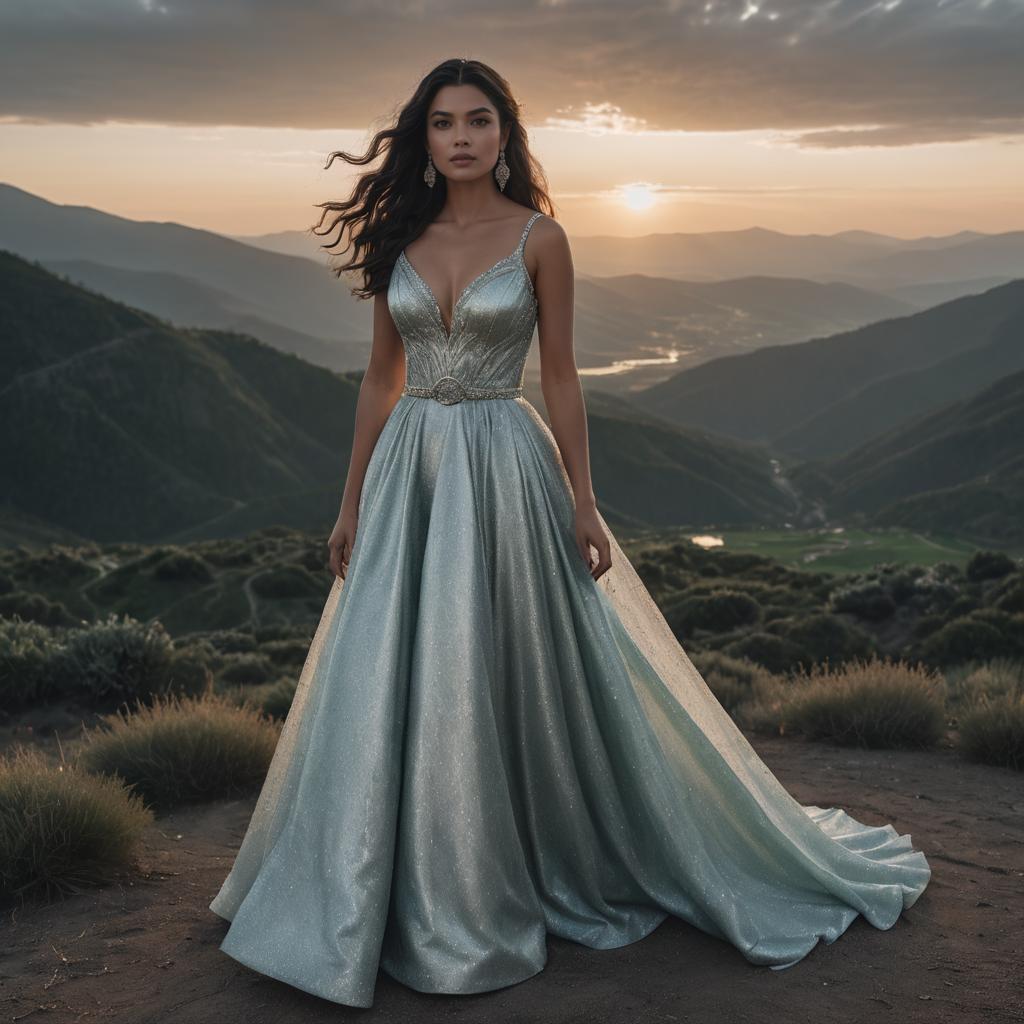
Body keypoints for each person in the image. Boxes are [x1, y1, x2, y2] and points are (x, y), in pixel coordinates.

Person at [208, 57, 931, 1009]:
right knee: (394, 666)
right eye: (442, 122)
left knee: (506, 658)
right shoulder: (399, 239)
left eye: (478, 120)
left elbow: (560, 377)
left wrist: (585, 501)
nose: (460, 137)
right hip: (410, 469)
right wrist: (349, 504)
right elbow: (381, 378)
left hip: (509, 466)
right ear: (422, 138)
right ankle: (383, 877)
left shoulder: (541, 238)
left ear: (505, 135)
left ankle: (508, 863)